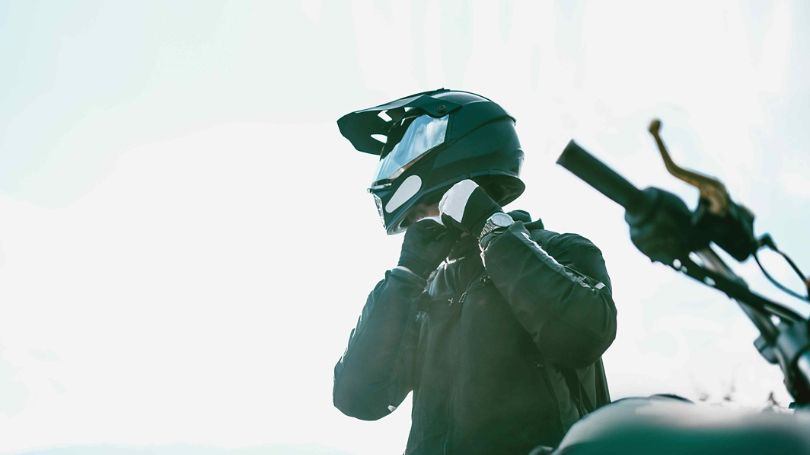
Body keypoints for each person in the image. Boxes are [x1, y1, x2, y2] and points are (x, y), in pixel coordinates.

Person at [333, 89, 617, 454]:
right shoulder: (427, 287)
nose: (419, 224)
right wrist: (406, 274)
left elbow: (582, 335)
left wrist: (491, 227)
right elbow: (358, 397)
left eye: (424, 210)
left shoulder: (563, 251)